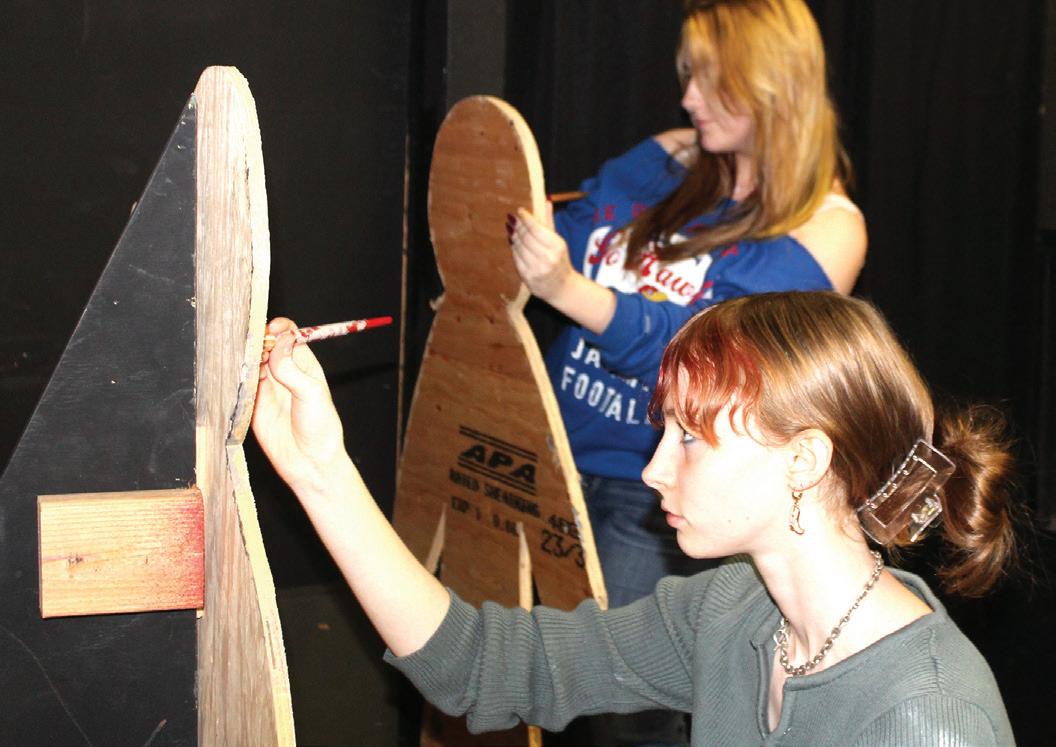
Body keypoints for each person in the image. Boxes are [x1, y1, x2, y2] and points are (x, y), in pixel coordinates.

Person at [252, 291, 1017, 746]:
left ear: (803, 459)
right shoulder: (733, 611)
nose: (652, 469)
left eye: (690, 437)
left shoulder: (928, 718)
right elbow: (482, 664)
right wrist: (319, 471)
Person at [509, 3, 865, 739]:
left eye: (710, 81)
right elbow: (577, 231)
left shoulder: (829, 229)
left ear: (771, 84)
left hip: (653, 498)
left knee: (623, 719)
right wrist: (532, 237)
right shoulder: (672, 157)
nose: (688, 98)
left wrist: (566, 289)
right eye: (688, 76)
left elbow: (705, 356)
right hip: (553, 455)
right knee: (526, 678)